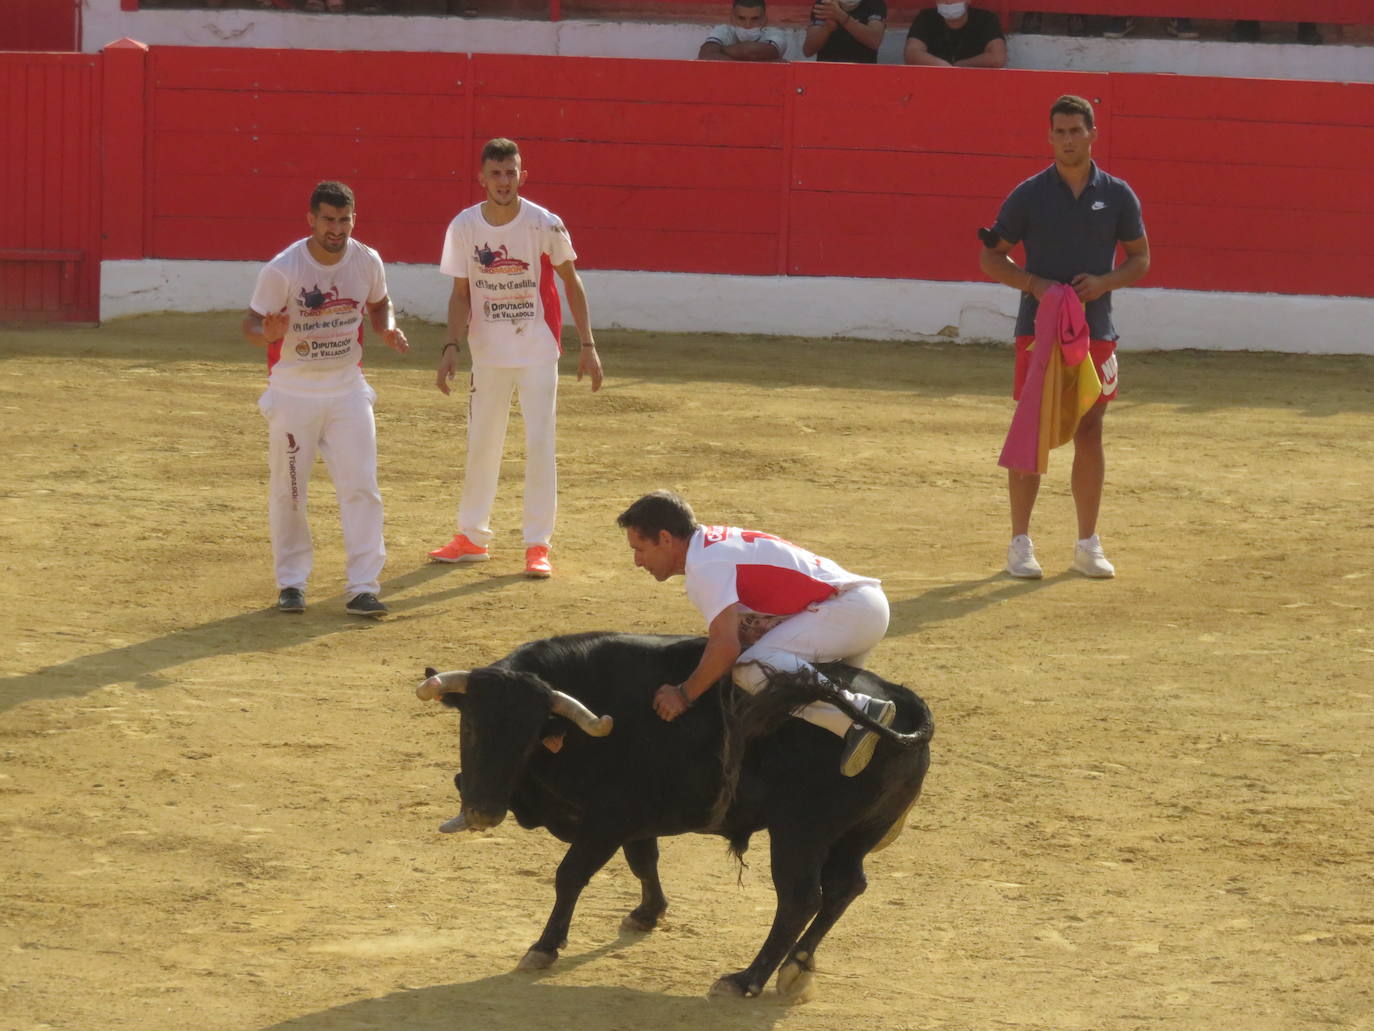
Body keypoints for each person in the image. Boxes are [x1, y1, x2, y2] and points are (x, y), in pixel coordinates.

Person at [977, 95, 1150, 580]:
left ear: (1092, 133)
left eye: (1076, 130)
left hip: (1096, 329)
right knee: (1032, 427)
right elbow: (992, 257)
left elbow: (1140, 257)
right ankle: (1019, 543)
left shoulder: (1117, 194)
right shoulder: (1029, 194)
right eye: (1060, 132)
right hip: (1038, 330)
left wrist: (1104, 282)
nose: (1068, 139)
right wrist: (1035, 285)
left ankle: (1087, 543)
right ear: (1050, 137)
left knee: (1091, 429)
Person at [618, 490, 896, 778]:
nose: (637, 561)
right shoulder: (710, 547)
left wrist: (684, 694)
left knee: (751, 668)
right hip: (855, 608)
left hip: (848, 613)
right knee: (768, 667)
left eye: (639, 549)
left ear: (665, 538)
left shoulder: (705, 565)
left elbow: (726, 648)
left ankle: (857, 714)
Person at [429, 137, 603, 579]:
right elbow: (459, 293)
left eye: (511, 173)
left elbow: (572, 281)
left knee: (540, 443)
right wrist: (451, 347)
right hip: (486, 352)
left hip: (537, 349)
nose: (504, 181)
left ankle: (537, 544)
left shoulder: (544, 224)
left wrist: (588, 344)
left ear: (521, 176)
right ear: (482, 178)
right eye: (496, 173)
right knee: (481, 443)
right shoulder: (464, 227)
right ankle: (471, 536)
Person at [241, 180, 409, 617]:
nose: (337, 229)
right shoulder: (284, 269)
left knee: (362, 487)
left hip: (347, 388)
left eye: (345, 220)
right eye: (329, 220)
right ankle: (292, 583)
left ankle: (363, 586)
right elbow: (251, 323)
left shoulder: (366, 260)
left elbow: (380, 302)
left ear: (354, 218)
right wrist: (268, 336)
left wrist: (386, 327)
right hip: (294, 391)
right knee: (290, 490)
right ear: (311, 219)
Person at [903, 2, 1006, 67]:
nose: (948, 2)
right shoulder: (925, 18)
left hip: (976, 83)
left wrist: (958, 66)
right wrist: (943, 66)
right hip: (935, 82)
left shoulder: (987, 19)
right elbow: (912, 54)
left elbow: (997, 58)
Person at [698, 0, 788, 61]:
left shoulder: (775, 33)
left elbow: (752, 52)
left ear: (764, 20)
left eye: (755, 19)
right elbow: (705, 55)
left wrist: (720, 50)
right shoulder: (724, 30)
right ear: (732, 18)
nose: (747, 25)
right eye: (741, 18)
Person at [803, 0, 887, 63]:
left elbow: (874, 40)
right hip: (828, 73)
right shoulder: (825, 4)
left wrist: (840, 16)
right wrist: (827, 28)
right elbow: (808, 51)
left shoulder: (875, 4)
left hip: (862, 74)